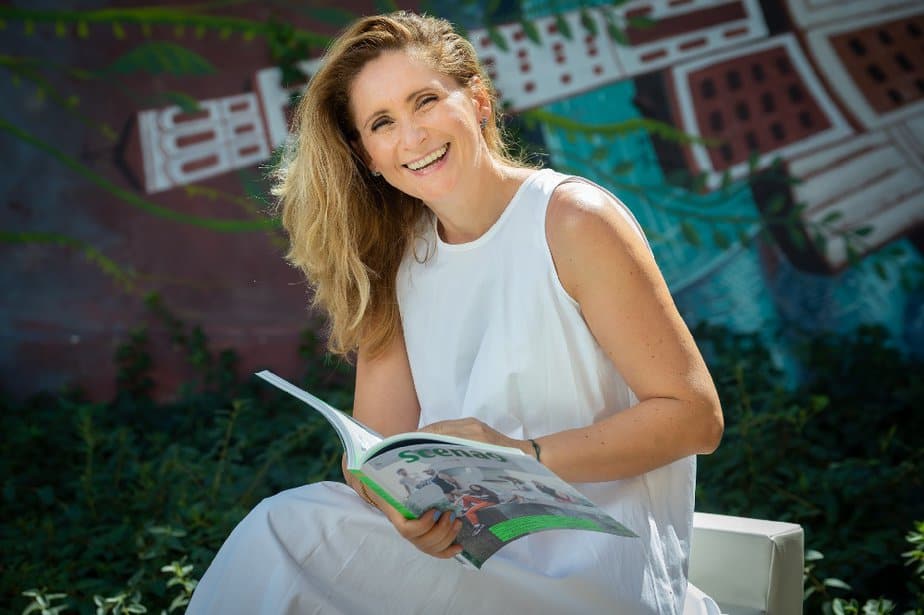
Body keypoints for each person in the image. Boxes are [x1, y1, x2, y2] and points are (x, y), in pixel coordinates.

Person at [186, 10, 724, 615]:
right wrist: (400, 511)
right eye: (383, 123)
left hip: (593, 578)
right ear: (367, 155)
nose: (412, 136)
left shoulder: (573, 220)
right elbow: (373, 456)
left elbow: (695, 417)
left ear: (479, 100)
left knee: (288, 531)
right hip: (467, 560)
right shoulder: (394, 259)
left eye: (425, 101)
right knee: (291, 525)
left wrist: (518, 456)